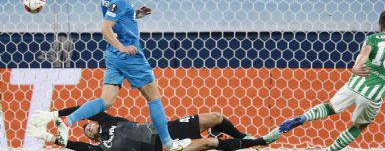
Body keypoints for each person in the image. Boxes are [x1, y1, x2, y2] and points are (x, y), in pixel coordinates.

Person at [57, 0, 187, 150]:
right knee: (153, 97)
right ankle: (169, 143)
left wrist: (135, 15)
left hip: (113, 56)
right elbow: (106, 29)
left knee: (106, 101)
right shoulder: (121, 1)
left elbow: (116, 21)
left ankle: (67, 121)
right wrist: (122, 47)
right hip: (129, 56)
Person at [267, 10, 385, 151]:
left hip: (355, 84)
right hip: (372, 95)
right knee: (358, 127)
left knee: (329, 107)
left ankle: (303, 117)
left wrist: (356, 66)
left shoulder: (372, 39)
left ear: (380, 26)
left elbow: (365, 52)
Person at [29, 106, 281, 151]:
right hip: (164, 148)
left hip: (166, 128)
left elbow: (85, 108)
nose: (88, 129)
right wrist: (51, 137)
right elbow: (75, 147)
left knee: (215, 116)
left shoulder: (109, 120)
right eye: (87, 132)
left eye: (88, 125)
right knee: (207, 144)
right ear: (92, 139)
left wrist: (57, 115)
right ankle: (258, 142)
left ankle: (241, 136)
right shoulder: (101, 149)